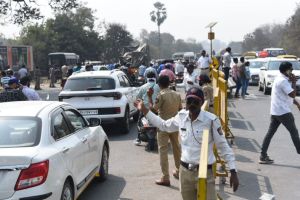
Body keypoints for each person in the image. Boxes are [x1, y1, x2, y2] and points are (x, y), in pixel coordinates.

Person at [135, 87, 239, 200]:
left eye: (196, 101)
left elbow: (223, 146)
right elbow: (163, 125)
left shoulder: (211, 120)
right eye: (189, 101)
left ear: (202, 103)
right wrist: (145, 110)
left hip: (205, 173)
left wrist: (233, 171)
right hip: (185, 173)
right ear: (186, 102)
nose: (192, 104)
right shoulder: (181, 116)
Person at [260, 61, 300, 164]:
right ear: (286, 70)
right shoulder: (283, 81)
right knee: (294, 133)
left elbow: (284, 96)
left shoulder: (280, 79)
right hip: (284, 112)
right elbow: (292, 94)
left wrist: (297, 104)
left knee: (270, 134)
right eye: (290, 70)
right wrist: (294, 82)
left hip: (275, 111)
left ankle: (263, 155)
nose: (292, 72)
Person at [148, 75, 182, 186]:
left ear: (159, 85)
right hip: (175, 125)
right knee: (176, 148)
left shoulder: (160, 95)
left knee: (163, 151)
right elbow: (181, 110)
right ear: (169, 83)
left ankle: (165, 177)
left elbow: (153, 110)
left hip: (163, 126)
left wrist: (149, 97)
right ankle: (179, 171)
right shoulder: (177, 94)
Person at [134, 71, 160, 146]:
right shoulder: (158, 86)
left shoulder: (143, 87)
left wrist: (140, 101)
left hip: (145, 110)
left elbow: (137, 98)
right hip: (156, 109)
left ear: (147, 78)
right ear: (155, 78)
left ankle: (138, 139)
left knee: (139, 122)